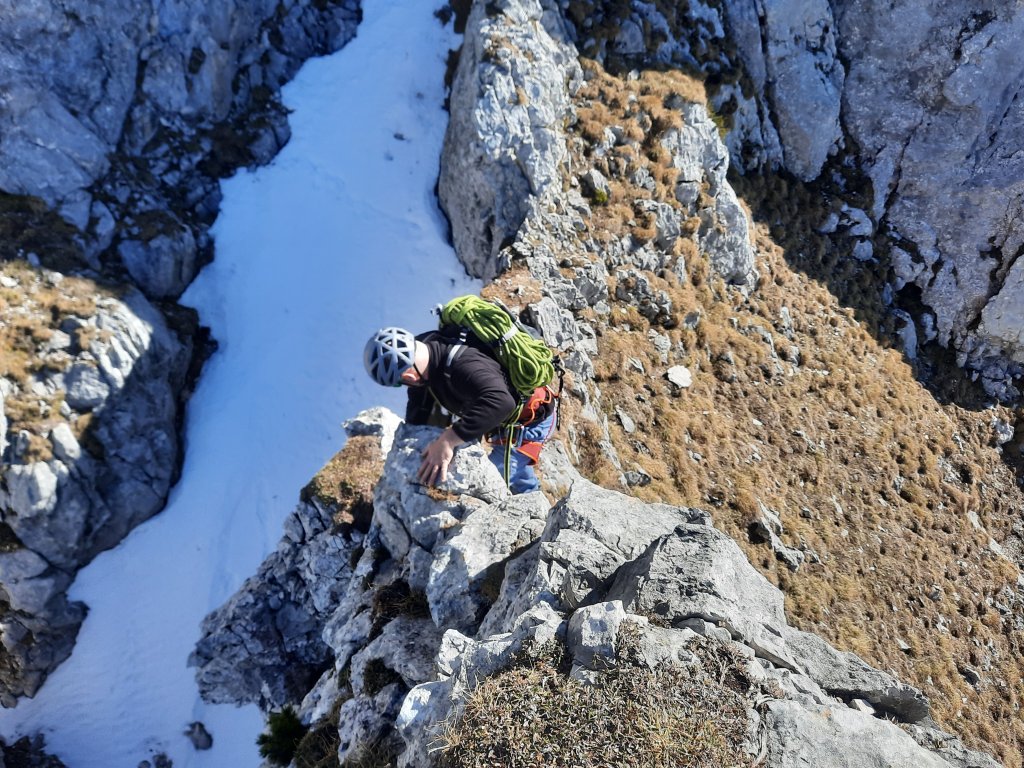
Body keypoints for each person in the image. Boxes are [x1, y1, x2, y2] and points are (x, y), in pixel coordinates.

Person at [363, 326, 556, 493]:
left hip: (529, 420)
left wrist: (448, 440)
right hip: (502, 421)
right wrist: (412, 436)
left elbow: (502, 402)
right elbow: (420, 399)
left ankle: (534, 510)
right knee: (516, 472)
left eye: (400, 383)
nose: (406, 386)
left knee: (494, 476)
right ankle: (532, 493)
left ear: (409, 377)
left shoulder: (464, 366)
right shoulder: (426, 348)